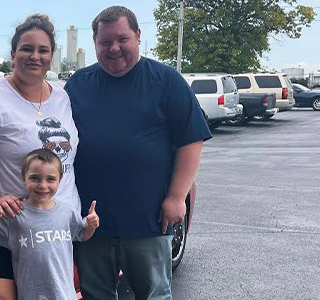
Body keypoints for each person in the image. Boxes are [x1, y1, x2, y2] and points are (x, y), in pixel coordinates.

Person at [64, 5, 212, 300]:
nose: (114, 48)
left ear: (138, 36)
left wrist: (175, 198)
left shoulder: (166, 81)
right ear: (95, 43)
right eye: (105, 42)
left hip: (148, 221)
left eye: (122, 39)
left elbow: (191, 141)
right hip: (91, 224)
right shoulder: (78, 85)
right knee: (95, 295)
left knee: (153, 294)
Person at [0, 14, 81, 300]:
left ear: (51, 56)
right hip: (8, 223)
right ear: (13, 53)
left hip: (55, 225)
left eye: (43, 50)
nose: (34, 56)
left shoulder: (61, 97)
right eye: (26, 48)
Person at [0, 148, 99, 300]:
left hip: (64, 295)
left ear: (60, 179)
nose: (42, 185)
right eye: (35, 178)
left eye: (50, 179)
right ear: (24, 178)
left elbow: (82, 235)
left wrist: (91, 226)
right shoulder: (16, 214)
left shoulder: (67, 212)